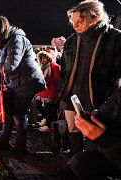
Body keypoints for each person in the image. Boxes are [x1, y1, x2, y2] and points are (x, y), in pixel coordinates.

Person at [58, 0, 121, 155]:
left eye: (81, 20)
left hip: (100, 98)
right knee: (73, 129)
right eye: (74, 21)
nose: (76, 25)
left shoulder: (115, 38)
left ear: (96, 18)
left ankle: (91, 165)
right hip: (72, 96)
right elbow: (65, 70)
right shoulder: (72, 40)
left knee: (94, 133)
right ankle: (75, 162)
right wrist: (62, 92)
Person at [0, 16, 46, 155]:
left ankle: (20, 147)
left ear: (1, 30)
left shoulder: (16, 39)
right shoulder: (8, 42)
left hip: (27, 81)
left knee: (19, 113)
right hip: (17, 82)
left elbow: (10, 66)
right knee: (9, 111)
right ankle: (4, 141)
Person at [61, 88, 121, 179]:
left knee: (79, 163)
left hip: (114, 150)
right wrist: (90, 119)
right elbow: (104, 114)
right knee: (72, 167)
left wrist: (103, 138)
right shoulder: (119, 94)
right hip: (108, 149)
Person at [35, 50, 60, 132]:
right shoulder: (42, 67)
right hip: (43, 91)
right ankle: (47, 120)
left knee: (50, 110)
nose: (42, 60)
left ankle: (50, 126)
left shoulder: (54, 66)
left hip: (51, 91)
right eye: (41, 58)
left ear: (48, 57)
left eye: (44, 58)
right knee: (39, 106)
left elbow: (57, 79)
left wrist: (47, 80)